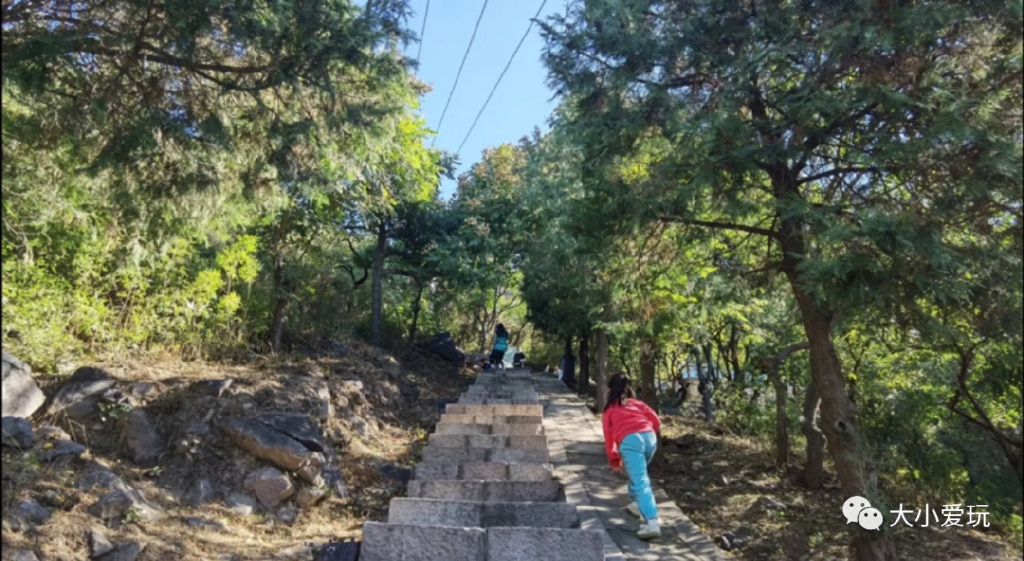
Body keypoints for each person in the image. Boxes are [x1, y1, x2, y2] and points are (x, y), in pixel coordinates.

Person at [601, 372, 662, 539]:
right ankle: (636, 504)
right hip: (650, 437)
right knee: (638, 475)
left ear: (609, 390)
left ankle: (652, 522)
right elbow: (656, 421)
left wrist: (614, 460)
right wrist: (647, 433)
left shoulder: (609, 410)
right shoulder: (638, 404)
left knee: (641, 481)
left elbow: (609, 439)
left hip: (631, 441)